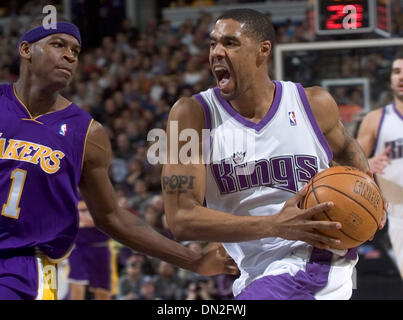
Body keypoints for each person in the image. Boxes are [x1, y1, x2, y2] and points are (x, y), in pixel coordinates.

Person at [0, 16, 237, 300]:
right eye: (58, 44)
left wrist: (193, 260)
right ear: (25, 50)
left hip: (24, 267)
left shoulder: (87, 132)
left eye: (75, 51)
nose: (69, 56)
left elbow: (112, 216)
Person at [162, 8, 386, 300]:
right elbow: (180, 218)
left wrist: (371, 193)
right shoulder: (191, 116)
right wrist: (273, 225)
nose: (216, 52)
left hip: (314, 259)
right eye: (212, 43)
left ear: (262, 50)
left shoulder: (313, 103)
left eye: (229, 43)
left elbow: (345, 148)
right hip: (255, 274)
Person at [356, 52, 403, 278]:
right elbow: (350, 166)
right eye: (396, 72)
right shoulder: (375, 119)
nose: (401, 77)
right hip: (396, 213)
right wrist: (368, 163)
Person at [67, 199, 118, 300]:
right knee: (77, 284)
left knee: (102, 291)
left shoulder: (100, 190)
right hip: (78, 247)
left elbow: (107, 218)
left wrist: (80, 218)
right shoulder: (70, 190)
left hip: (100, 247)